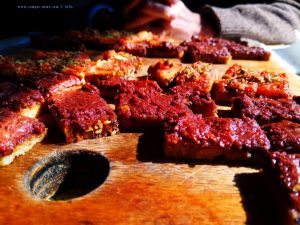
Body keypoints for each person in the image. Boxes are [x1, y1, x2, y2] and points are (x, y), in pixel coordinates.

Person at [121, 0, 300, 44]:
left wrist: (206, 24)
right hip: (114, 33)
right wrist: (102, 13)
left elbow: (293, 11)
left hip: (223, 43)